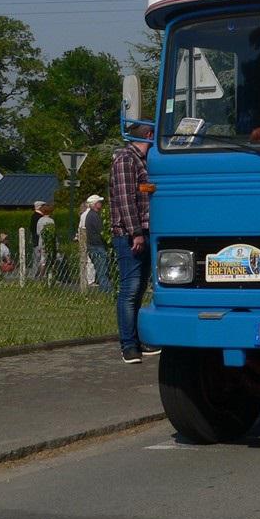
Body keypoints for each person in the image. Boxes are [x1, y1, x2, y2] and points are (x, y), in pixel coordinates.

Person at [110, 123, 159, 363]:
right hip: (130, 235)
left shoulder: (142, 161)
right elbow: (125, 199)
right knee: (130, 290)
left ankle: (137, 340)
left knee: (139, 289)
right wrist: (135, 232)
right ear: (149, 135)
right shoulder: (126, 159)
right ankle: (128, 345)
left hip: (147, 231)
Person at [81, 193, 112, 292]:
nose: (101, 204)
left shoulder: (91, 215)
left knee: (101, 269)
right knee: (102, 269)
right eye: (99, 202)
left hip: (93, 245)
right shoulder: (94, 216)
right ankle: (106, 290)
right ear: (94, 204)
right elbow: (101, 231)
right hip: (97, 246)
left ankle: (105, 288)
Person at [35, 202, 56, 278]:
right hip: (49, 242)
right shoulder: (51, 221)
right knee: (48, 259)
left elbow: (38, 232)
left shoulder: (40, 220)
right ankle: (44, 275)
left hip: (41, 242)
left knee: (42, 259)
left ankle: (39, 274)